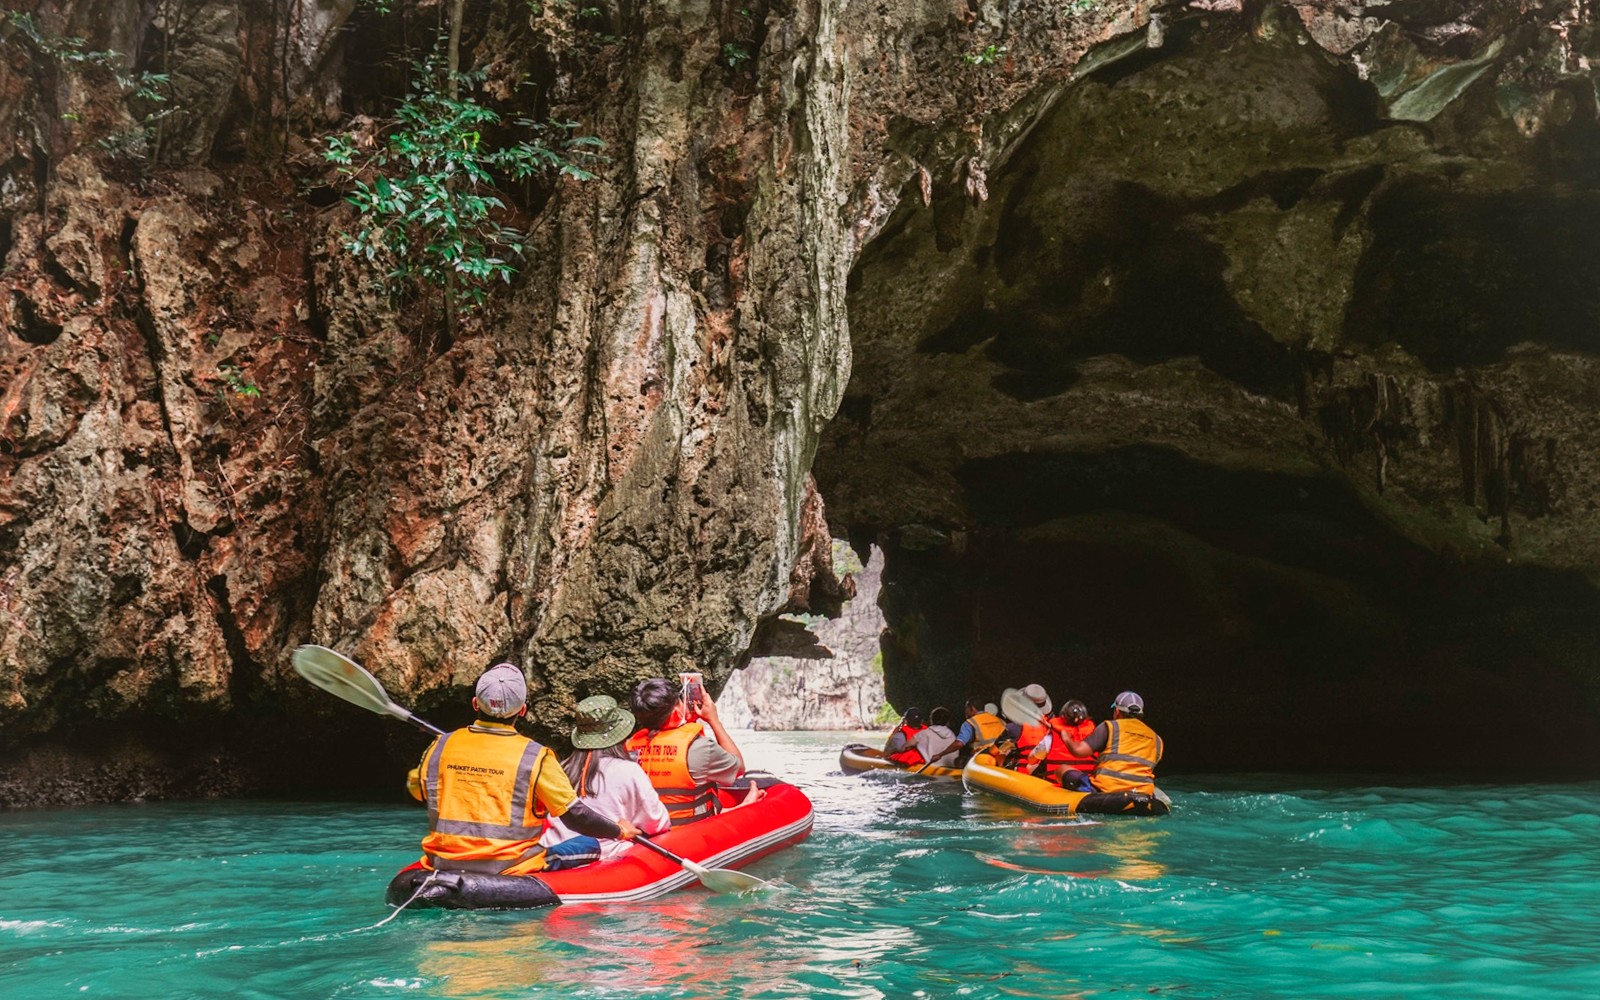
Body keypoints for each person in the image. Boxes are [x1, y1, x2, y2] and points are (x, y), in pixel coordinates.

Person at [408, 663, 640, 875]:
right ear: (522, 711)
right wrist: (618, 831)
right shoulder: (536, 757)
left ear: (475, 704)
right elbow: (575, 817)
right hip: (511, 867)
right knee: (588, 844)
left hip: (442, 862)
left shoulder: (440, 746)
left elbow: (417, 790)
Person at [540, 695, 672, 864]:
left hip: (555, 855)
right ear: (619, 735)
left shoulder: (561, 768)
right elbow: (658, 824)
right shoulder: (629, 771)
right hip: (601, 859)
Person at [628, 676, 755, 825]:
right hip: (687, 830)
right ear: (676, 712)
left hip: (647, 829)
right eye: (680, 701)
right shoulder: (700, 747)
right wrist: (714, 720)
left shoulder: (629, 747)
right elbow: (738, 768)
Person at [1054, 691, 1164, 796]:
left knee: (1062, 769)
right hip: (1143, 791)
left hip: (1106, 789)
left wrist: (1066, 738)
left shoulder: (1110, 727)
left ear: (1117, 711)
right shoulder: (1157, 739)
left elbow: (1078, 751)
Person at [1026, 699, 1098, 783]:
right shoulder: (1095, 737)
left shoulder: (1052, 737)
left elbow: (1031, 759)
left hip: (1058, 787)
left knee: (1030, 766)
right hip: (1084, 788)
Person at [888, 705, 959, 768]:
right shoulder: (953, 736)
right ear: (948, 722)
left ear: (931, 720)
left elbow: (903, 748)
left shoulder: (923, 734)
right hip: (951, 768)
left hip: (930, 768)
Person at [948, 698, 1009, 763]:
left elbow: (959, 744)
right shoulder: (1000, 720)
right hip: (1002, 759)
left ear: (972, 708)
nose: (965, 711)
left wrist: (941, 754)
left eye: (966, 708)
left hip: (982, 760)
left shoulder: (970, 723)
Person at [1012, 683, 1053, 768]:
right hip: (1042, 775)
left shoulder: (1015, 727)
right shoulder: (1052, 727)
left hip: (1021, 775)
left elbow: (995, 750)